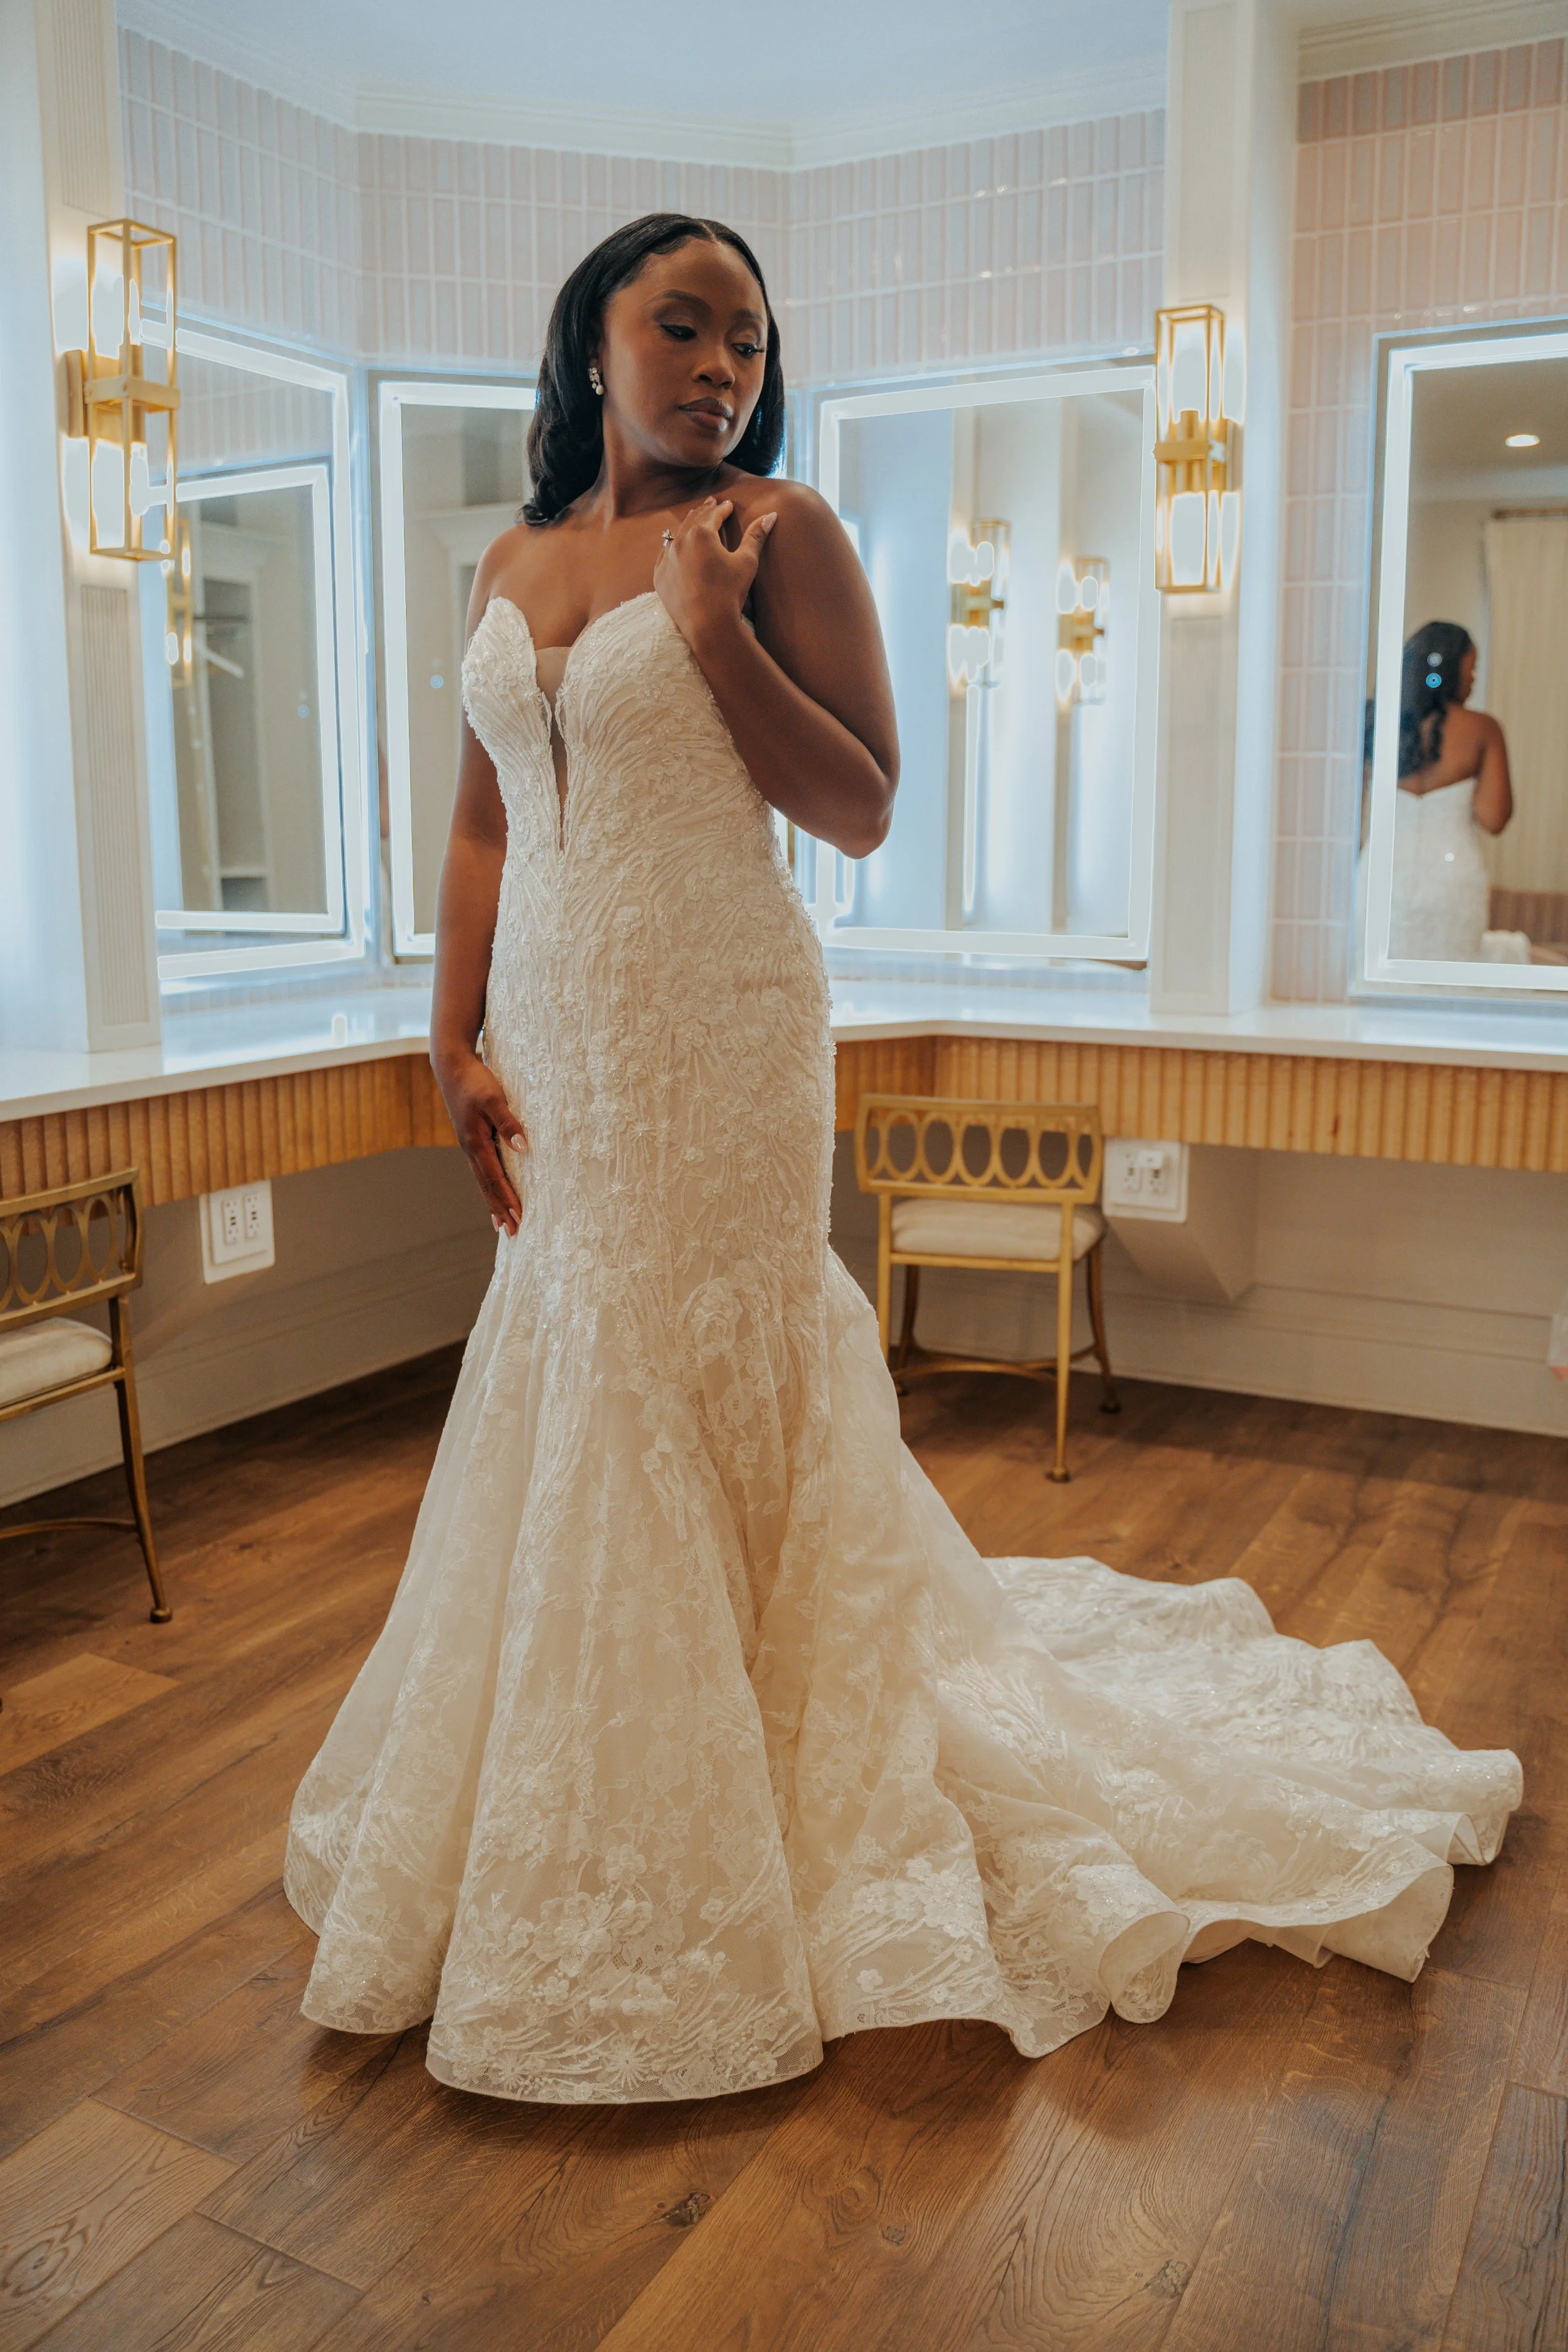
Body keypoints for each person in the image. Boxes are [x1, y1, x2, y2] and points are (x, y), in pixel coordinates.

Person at [284, 216, 1521, 2104]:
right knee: (576, 1356)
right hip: (557, 1043)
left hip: (720, 1028)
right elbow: (478, 821)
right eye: (679, 325)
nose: (719, 365)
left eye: (749, 339)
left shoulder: (775, 535)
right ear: (590, 344)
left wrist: (708, 636)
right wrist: (446, 1034)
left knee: (696, 1351)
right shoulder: (513, 555)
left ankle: (775, 1795)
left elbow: (857, 800)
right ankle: (572, 1784)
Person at [1386, 620, 1527, 961]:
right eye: (1472, 669)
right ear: (1452, 669)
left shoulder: (1379, 720)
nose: (1474, 679)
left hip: (1382, 878)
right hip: (1452, 883)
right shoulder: (1482, 729)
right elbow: (1494, 819)